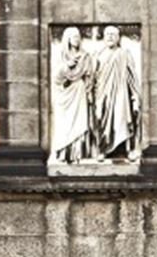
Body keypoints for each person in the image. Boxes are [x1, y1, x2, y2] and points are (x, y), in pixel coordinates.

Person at [93, 26, 141, 160]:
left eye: (113, 34)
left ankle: (128, 149)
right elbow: (93, 76)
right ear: (103, 37)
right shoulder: (98, 55)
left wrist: (135, 96)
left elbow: (132, 76)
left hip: (121, 92)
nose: (110, 37)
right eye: (107, 34)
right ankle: (102, 149)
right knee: (101, 119)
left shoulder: (124, 53)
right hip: (102, 93)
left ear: (118, 38)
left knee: (122, 118)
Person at [50, 27, 95, 163]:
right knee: (64, 124)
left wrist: (89, 92)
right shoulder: (62, 56)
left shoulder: (85, 56)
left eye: (78, 36)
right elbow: (55, 78)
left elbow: (89, 76)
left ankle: (77, 153)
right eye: (74, 37)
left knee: (79, 122)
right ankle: (64, 152)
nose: (77, 39)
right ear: (67, 39)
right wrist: (66, 66)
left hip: (79, 91)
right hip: (65, 94)